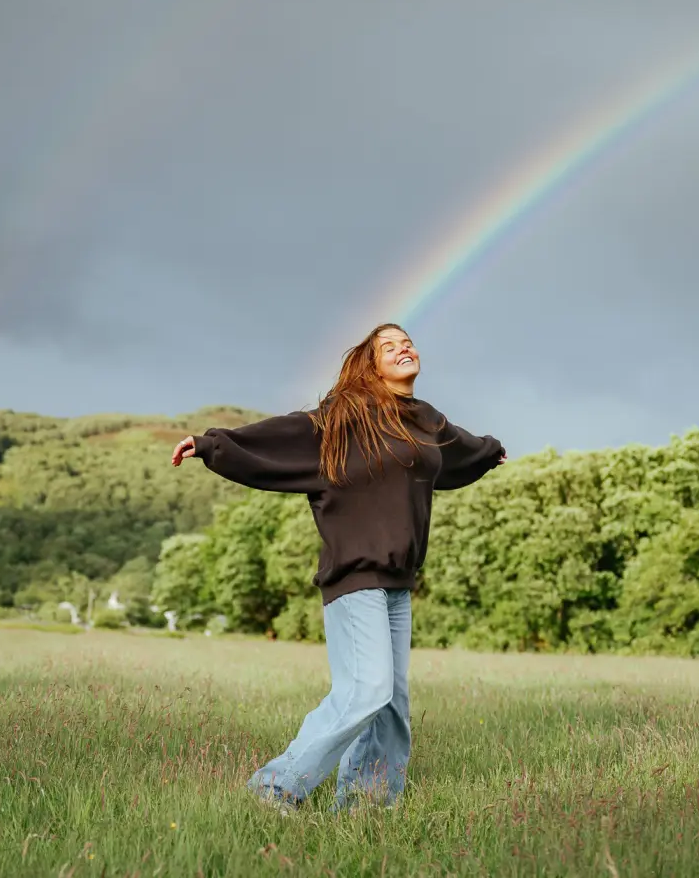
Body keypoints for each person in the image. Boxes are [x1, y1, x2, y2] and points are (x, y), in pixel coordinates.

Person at [170, 323, 505, 812]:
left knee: (391, 702)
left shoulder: (425, 421)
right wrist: (210, 444)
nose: (402, 347)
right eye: (387, 346)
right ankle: (275, 789)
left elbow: (457, 451)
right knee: (366, 689)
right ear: (369, 366)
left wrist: (489, 450)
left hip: (398, 581)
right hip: (354, 577)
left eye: (406, 341)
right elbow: (279, 437)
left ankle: (364, 809)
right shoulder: (343, 419)